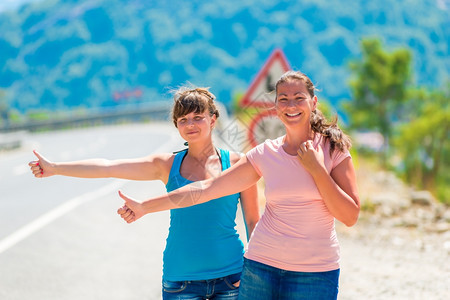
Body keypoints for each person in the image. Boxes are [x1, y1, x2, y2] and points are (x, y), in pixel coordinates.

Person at [117, 71, 360, 300]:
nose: (291, 105)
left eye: (299, 98)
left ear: (313, 102)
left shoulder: (332, 150)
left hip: (315, 273)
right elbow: (206, 189)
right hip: (261, 267)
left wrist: (317, 169)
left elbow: (349, 216)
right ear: (275, 108)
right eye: (283, 99)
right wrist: (145, 206)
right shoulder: (265, 154)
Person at [29, 87, 260, 300]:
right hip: (181, 280)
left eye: (198, 117)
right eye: (183, 119)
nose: (191, 124)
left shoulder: (238, 163)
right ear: (176, 125)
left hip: (232, 277)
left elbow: (252, 221)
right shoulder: (166, 165)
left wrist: (252, 272)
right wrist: (56, 168)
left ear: (213, 119)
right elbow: (108, 166)